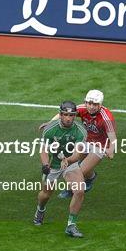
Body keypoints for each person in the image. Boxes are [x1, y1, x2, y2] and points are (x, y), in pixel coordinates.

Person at [40, 89, 117, 199]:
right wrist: (50, 123)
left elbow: (112, 136)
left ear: (100, 105)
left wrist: (111, 149)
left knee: (79, 171)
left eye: (95, 104)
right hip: (85, 141)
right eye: (89, 103)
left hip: (100, 146)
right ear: (85, 102)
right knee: (74, 163)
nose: (91, 106)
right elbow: (64, 113)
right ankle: (91, 177)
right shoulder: (82, 108)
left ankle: (71, 189)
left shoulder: (106, 117)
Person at [33, 101, 88, 238]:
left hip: (70, 163)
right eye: (65, 115)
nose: (68, 118)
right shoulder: (50, 130)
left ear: (75, 115)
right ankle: (40, 209)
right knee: (46, 194)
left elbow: (78, 154)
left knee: (80, 190)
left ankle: (71, 225)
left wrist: (68, 160)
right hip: (54, 164)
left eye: (71, 115)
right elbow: (44, 150)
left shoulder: (80, 131)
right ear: (60, 114)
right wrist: (45, 165)